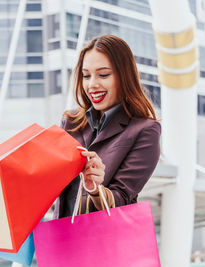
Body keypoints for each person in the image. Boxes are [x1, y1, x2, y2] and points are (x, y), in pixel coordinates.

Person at [53, 34, 161, 218]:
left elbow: (123, 198)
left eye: (103, 74)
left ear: (124, 76)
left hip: (104, 241)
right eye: (86, 76)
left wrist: (95, 189)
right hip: (60, 239)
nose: (92, 84)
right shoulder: (70, 122)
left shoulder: (145, 130)